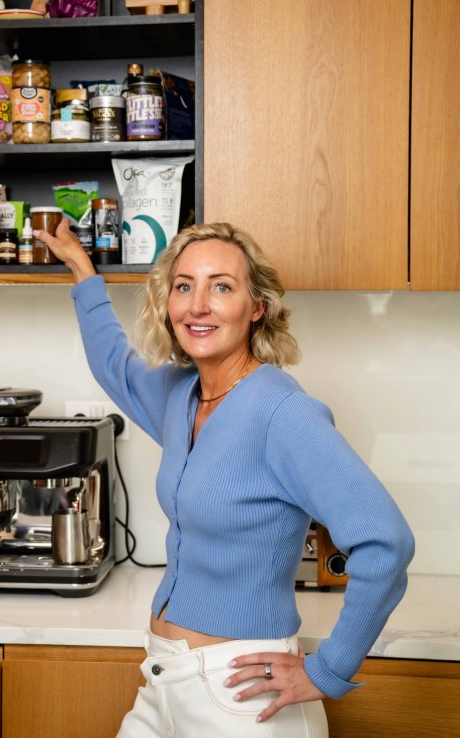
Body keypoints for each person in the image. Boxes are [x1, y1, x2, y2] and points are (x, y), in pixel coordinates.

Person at [34, 218, 415, 737]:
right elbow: (115, 366)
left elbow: (386, 542)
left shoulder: (282, 412)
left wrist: (328, 670)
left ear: (256, 307)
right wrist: (82, 269)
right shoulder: (180, 395)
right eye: (183, 286)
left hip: (242, 698)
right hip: (162, 680)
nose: (198, 305)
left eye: (221, 287)